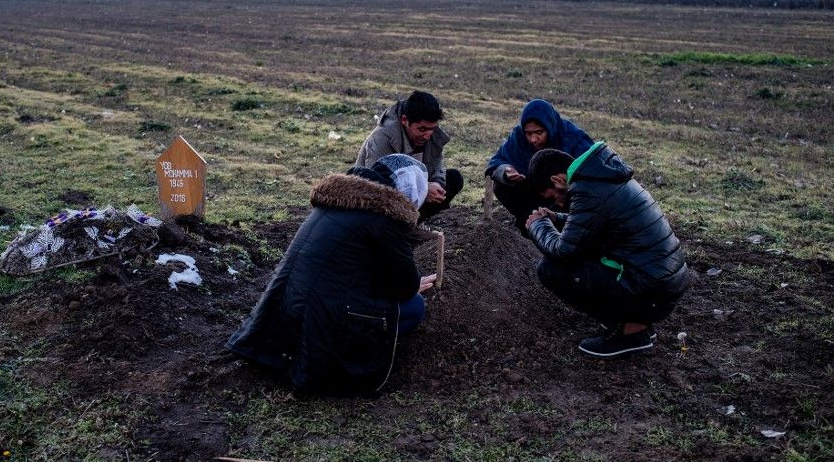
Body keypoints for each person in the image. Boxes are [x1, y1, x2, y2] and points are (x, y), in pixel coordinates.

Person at [226, 154, 437, 395]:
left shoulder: (338, 202)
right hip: (323, 317)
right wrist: (411, 286)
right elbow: (405, 286)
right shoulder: (386, 218)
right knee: (413, 306)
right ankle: (349, 351)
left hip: (283, 309)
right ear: (410, 188)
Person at [524, 142, 690, 358]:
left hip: (651, 289)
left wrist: (538, 225)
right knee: (586, 258)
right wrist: (557, 219)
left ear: (557, 180)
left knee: (550, 268)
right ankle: (637, 324)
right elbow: (597, 223)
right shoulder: (602, 177)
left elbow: (564, 252)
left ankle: (632, 333)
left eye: (553, 196)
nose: (557, 201)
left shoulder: (587, 189)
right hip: (663, 284)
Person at [484, 99, 593, 229]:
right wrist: (507, 171)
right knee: (501, 184)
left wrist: (567, 187)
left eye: (539, 133)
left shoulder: (572, 137)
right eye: (529, 134)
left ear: (549, 127)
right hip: (535, 194)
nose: (533, 139)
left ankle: (562, 224)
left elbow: (594, 171)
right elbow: (496, 162)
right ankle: (528, 222)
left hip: (568, 198)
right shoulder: (518, 138)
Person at [355, 90, 463, 220]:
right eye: (422, 129)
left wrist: (436, 183)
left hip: (413, 193)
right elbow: (377, 187)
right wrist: (423, 190)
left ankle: (413, 224)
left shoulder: (428, 133)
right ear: (405, 120)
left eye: (432, 129)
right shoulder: (382, 138)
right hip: (376, 203)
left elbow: (437, 160)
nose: (428, 136)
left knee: (454, 178)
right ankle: (400, 230)